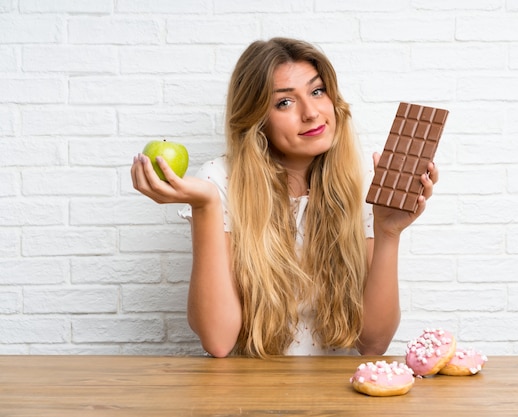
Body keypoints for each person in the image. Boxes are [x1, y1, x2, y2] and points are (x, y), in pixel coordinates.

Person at [131, 37, 438, 358]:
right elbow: (219, 342)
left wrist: (388, 231)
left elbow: (373, 344)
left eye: (317, 91)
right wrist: (206, 206)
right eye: (284, 102)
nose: (311, 113)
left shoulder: (361, 181)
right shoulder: (219, 179)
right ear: (256, 119)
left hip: (338, 393)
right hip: (250, 394)